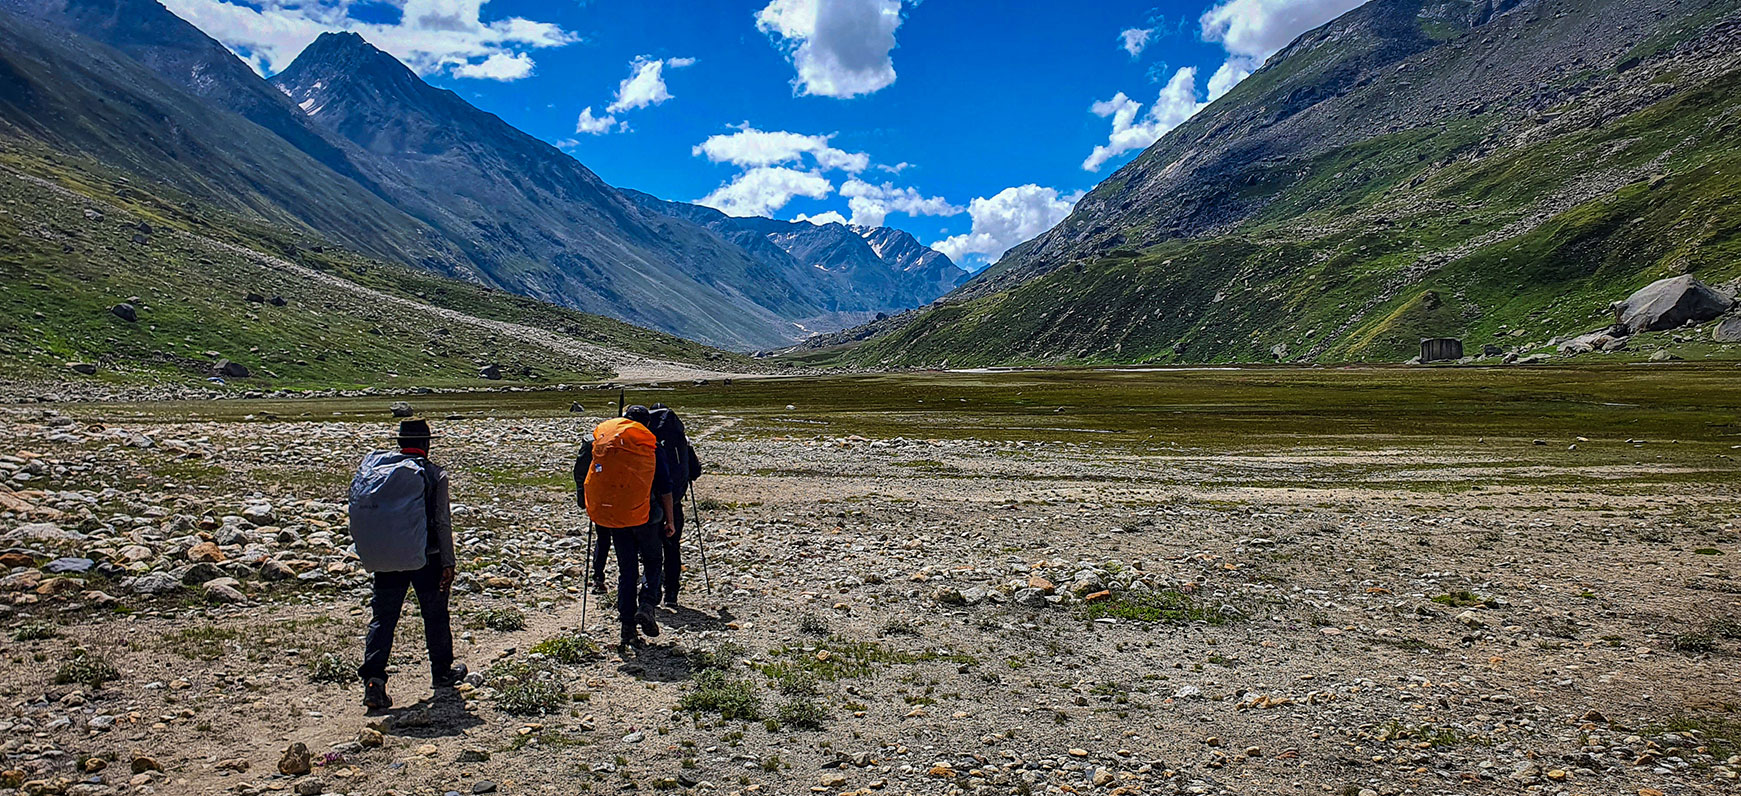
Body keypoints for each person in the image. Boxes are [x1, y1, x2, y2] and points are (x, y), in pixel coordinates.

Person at [353, 418, 467, 711]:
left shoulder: (383, 472)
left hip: (387, 556)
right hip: (426, 557)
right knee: (435, 615)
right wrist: (448, 561)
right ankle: (441, 672)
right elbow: (442, 522)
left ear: (401, 443)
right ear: (426, 444)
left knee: (383, 618)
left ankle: (374, 683)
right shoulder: (433, 474)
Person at [580, 406, 676, 648]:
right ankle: (646, 604)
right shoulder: (650, 445)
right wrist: (671, 520)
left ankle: (627, 629)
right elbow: (665, 487)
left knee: (627, 570)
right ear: (646, 424)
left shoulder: (606, 441)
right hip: (647, 517)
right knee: (653, 562)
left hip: (616, 516)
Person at [646, 403, 702, 608]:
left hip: (649, 503)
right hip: (675, 502)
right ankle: (672, 593)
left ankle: (651, 591)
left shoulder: (646, 440)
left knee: (648, 549)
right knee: (672, 548)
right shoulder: (681, 440)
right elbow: (695, 471)